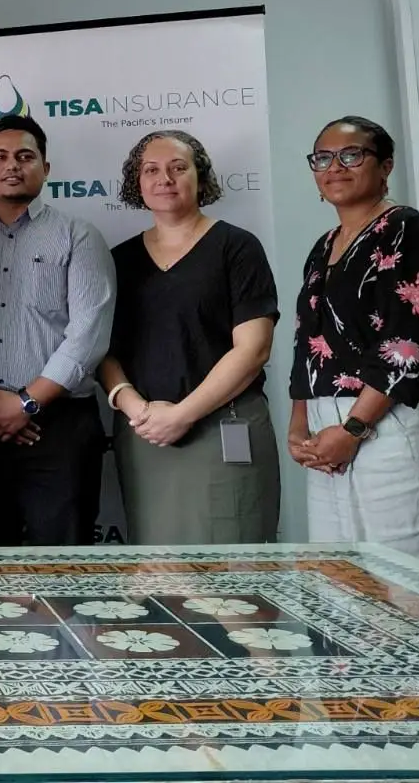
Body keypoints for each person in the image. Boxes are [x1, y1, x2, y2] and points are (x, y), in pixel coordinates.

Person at [289, 116, 419, 570]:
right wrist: (298, 428)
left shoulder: (407, 229)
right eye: (323, 158)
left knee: (409, 590)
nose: (335, 166)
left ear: (385, 166)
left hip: (391, 422)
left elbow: (407, 341)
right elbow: (307, 341)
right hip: (327, 430)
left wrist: (352, 430)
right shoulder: (324, 244)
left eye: (351, 155)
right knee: (338, 589)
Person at [0, 114, 115, 547]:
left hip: (58, 427)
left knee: (61, 569)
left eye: (25, 156)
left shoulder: (78, 236)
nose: (12, 165)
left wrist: (27, 402)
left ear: (46, 168)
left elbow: (89, 331)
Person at [100, 131, 280, 545]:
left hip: (221, 428)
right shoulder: (120, 260)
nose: (165, 178)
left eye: (178, 167)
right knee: (159, 577)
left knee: (233, 582)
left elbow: (254, 349)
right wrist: (138, 410)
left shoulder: (236, 247)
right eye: (151, 170)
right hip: (144, 434)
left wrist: (182, 415)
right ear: (137, 183)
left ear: (201, 178)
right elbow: (102, 351)